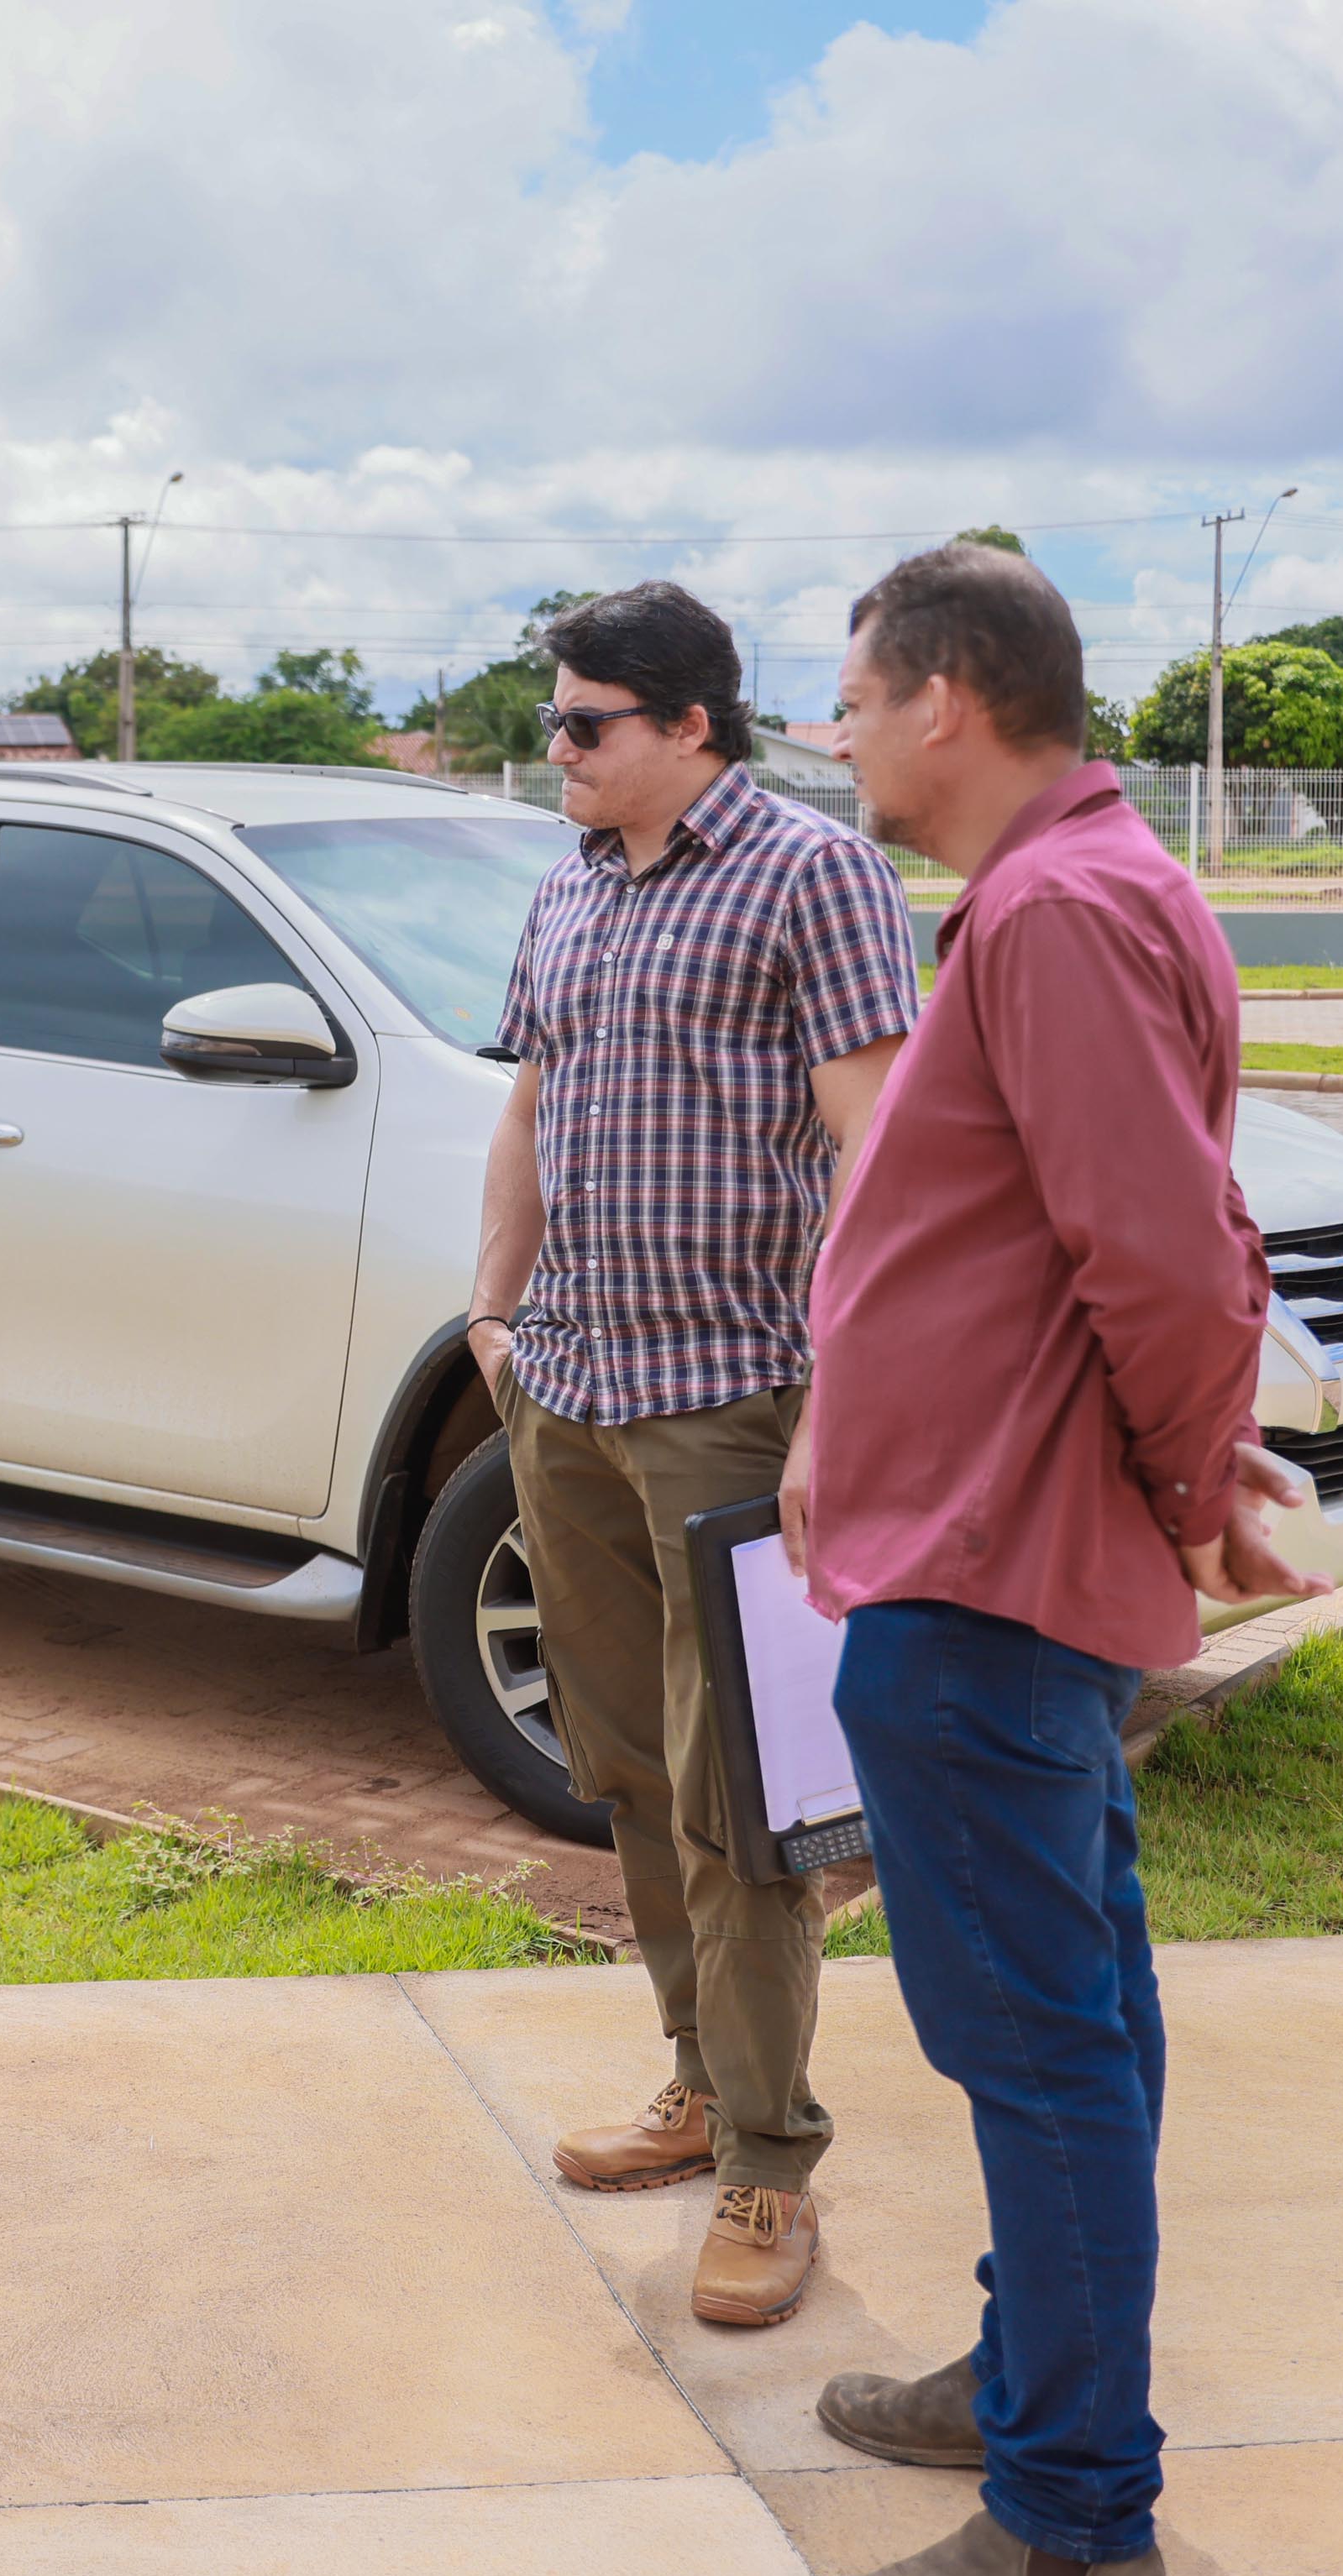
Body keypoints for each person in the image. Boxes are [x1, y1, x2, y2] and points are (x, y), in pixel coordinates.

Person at [781, 541, 1325, 2576]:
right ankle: (1034, 2394)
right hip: (992, 1552)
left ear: (945, 696)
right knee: (1071, 2019)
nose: (835, 733)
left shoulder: (1062, 907)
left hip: (989, 1577)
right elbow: (1112, 1227)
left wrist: (1195, 1487)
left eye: (849, 694)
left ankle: (1074, 2526)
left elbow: (1172, 1257)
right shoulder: (1068, 891)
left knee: (1039, 2048)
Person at [465, 579, 918, 2328]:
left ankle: (767, 2158)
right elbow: (528, 1101)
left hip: (732, 1397)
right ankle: (692, 2074)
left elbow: (875, 1144)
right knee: (629, 1766)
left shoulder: (813, 876)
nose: (557, 749)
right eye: (555, 720)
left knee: (745, 1801)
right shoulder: (570, 882)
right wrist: (494, 1317)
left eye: (585, 723)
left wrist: (843, 1393)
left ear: (689, 728)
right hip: (566, 1387)